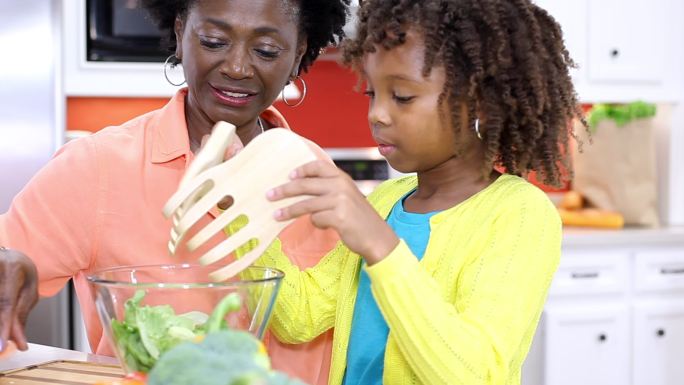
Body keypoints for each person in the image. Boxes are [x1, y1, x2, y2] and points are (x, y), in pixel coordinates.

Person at [0, 1, 349, 384]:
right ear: (181, 34)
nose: (237, 67)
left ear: (299, 52)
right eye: (214, 41)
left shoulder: (322, 181)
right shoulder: (98, 166)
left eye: (265, 50)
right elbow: (9, 258)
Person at [256, 0, 587, 384]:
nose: (377, 114)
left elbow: (474, 374)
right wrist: (241, 221)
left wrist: (381, 246)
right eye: (372, 94)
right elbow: (302, 317)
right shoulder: (384, 202)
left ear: (479, 101)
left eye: (401, 97)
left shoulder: (520, 214)